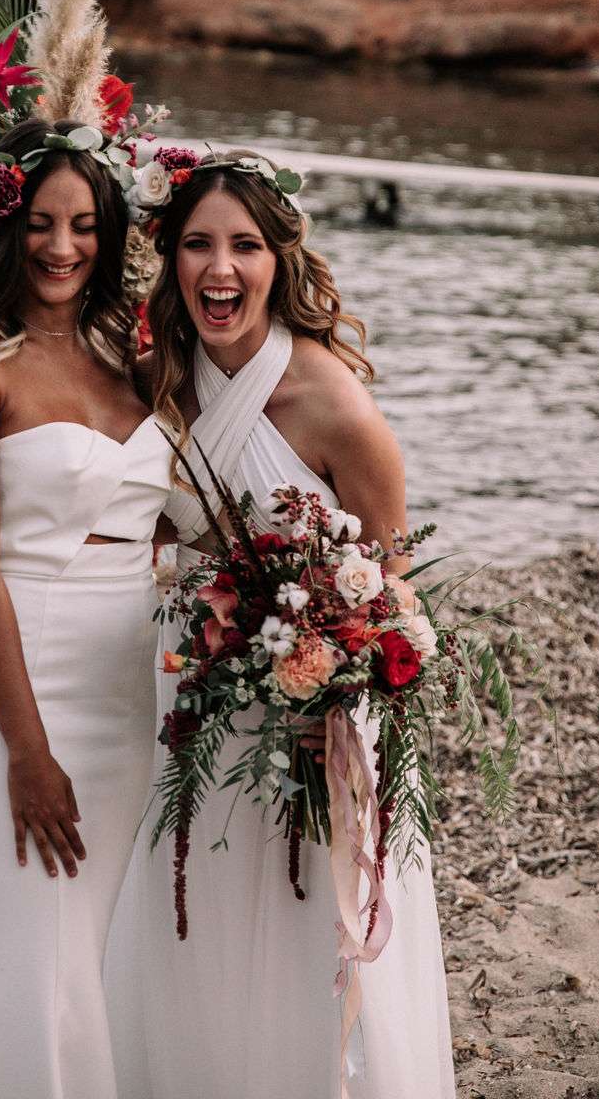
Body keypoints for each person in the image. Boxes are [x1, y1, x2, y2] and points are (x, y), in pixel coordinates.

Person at [104, 152, 457, 1099]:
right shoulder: (153, 381)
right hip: (191, 700)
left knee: (306, 928)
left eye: (245, 247)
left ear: (281, 260)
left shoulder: (336, 404)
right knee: (196, 914)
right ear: (169, 259)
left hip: (314, 725)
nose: (222, 270)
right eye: (199, 246)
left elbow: (396, 592)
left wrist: (338, 682)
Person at [0, 118, 172, 1099]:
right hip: (11, 686)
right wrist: (26, 750)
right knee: (31, 948)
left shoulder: (128, 352)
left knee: (85, 955)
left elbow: (171, 522)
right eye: (44, 225)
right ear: (4, 229)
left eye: (85, 225)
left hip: (126, 693)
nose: (63, 247)